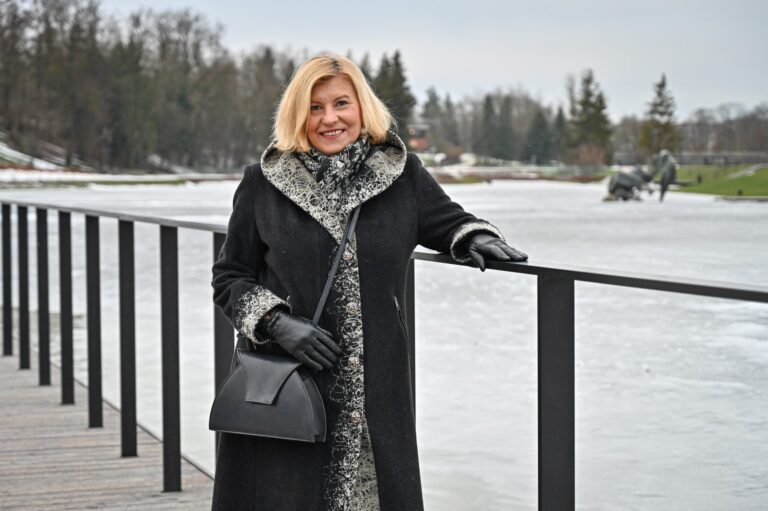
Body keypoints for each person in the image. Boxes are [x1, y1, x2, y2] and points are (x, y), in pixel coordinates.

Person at [211, 54, 527, 511]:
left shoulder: (400, 175)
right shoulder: (263, 183)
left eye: (341, 103)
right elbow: (229, 276)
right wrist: (277, 323)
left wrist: (474, 236)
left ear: (362, 106)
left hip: (375, 384)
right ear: (297, 114)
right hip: (289, 381)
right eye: (315, 108)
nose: (330, 118)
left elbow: (447, 221)